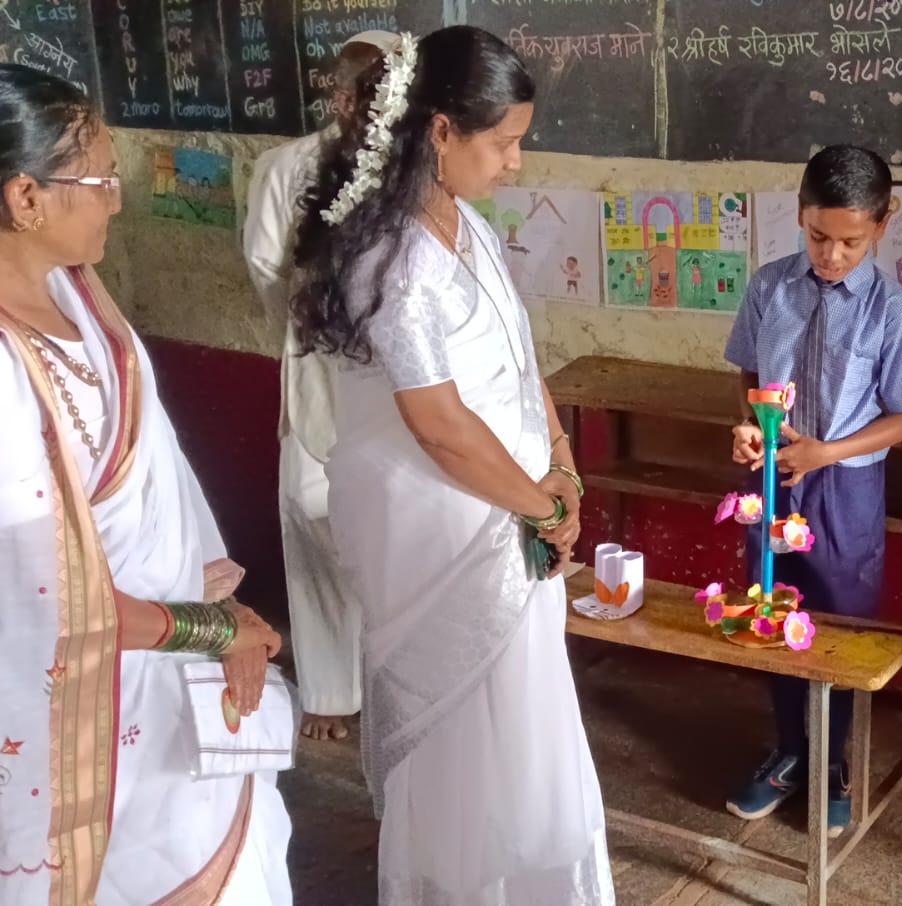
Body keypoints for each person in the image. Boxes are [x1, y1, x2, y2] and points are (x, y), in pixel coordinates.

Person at [288, 26, 611, 904]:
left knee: (523, 713)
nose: (515, 162)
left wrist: (563, 467)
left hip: (509, 501)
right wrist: (541, 507)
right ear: (439, 132)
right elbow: (437, 423)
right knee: (466, 726)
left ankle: (529, 879)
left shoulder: (467, 227)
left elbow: (519, 360)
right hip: (442, 523)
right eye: (502, 142)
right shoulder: (389, 257)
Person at [0, 64, 291, 904]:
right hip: (84, 707)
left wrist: (215, 611)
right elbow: (41, 600)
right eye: (97, 181)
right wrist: (212, 630)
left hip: (165, 658)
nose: (115, 201)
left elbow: (152, 468)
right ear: (25, 197)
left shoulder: (76, 291)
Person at [723, 144, 902, 836]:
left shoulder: (892, 311)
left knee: (839, 627)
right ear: (800, 215)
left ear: (883, 223)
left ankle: (834, 760)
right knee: (770, 613)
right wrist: (751, 429)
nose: (831, 254)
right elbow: (750, 375)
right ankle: (789, 752)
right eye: (818, 236)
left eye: (850, 241)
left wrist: (827, 452)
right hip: (772, 482)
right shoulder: (769, 288)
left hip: (844, 490)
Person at [243, 29, 399, 742]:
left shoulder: (411, 167)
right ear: (338, 97)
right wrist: (309, 329)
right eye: (364, 92)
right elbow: (266, 269)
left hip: (394, 370)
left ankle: (387, 681)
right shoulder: (286, 167)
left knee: (388, 518)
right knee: (311, 512)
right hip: (316, 363)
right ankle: (333, 690)